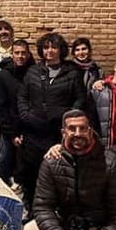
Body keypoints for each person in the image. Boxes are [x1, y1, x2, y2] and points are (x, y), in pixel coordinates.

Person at [17, 32, 87, 214]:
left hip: (58, 134)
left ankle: (57, 213)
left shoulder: (72, 72)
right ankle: (32, 211)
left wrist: (68, 120)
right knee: (31, 174)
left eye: (54, 47)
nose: (50, 51)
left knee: (59, 174)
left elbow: (80, 99)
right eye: (46, 47)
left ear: (61, 50)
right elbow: (23, 96)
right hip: (34, 132)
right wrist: (26, 115)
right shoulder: (33, 71)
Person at [0, 39, 35, 187]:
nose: (20, 56)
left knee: (27, 164)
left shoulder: (35, 73)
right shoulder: (4, 75)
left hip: (29, 127)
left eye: (23, 53)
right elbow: (1, 106)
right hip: (9, 127)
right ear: (12, 55)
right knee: (3, 160)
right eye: (17, 53)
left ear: (29, 54)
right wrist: (11, 134)